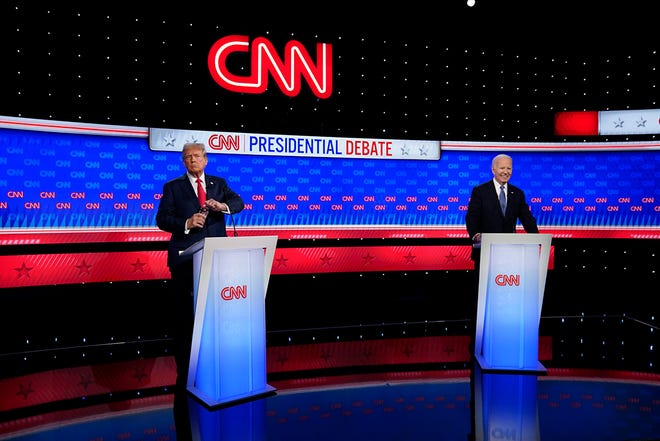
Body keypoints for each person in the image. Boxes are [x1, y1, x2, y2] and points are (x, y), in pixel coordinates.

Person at [156, 142, 244, 391]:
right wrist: (186, 222)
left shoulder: (219, 183)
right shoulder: (172, 187)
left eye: (196, 156)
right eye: (187, 157)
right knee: (186, 313)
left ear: (206, 159)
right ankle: (188, 366)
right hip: (185, 258)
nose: (192, 160)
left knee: (216, 308)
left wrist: (222, 207)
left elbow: (239, 203)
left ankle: (216, 352)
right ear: (183, 162)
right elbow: (162, 219)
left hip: (217, 256)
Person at [464, 153, 539, 356]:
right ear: (493, 169)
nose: (506, 172)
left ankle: (504, 331)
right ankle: (482, 336)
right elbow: (471, 218)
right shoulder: (480, 191)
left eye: (509, 169)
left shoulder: (517, 193)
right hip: (486, 252)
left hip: (510, 255)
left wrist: (537, 238)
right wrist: (476, 235)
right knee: (484, 295)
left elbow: (527, 218)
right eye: (502, 168)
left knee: (506, 293)